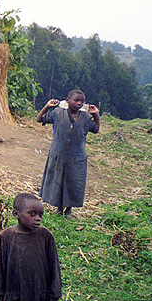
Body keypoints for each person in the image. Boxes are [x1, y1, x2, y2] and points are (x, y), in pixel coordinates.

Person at [0, 193, 62, 301]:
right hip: (15, 292)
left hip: (39, 293)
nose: (38, 218)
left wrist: (53, 294)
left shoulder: (45, 236)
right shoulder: (6, 237)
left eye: (40, 215)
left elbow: (54, 267)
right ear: (16, 214)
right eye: (32, 214)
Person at [37, 89, 100, 218]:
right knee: (58, 180)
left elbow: (96, 129)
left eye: (82, 101)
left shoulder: (86, 118)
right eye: (76, 100)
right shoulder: (57, 113)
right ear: (67, 101)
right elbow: (39, 119)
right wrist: (47, 106)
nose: (79, 103)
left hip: (77, 158)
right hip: (58, 155)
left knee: (73, 182)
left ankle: (69, 210)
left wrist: (96, 115)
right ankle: (59, 208)